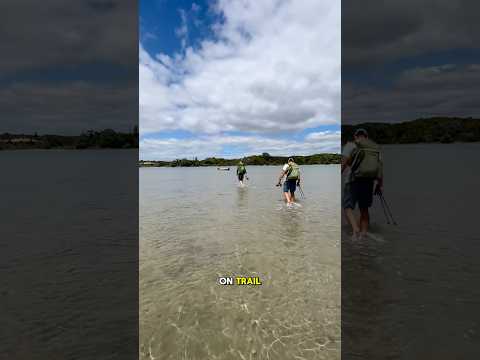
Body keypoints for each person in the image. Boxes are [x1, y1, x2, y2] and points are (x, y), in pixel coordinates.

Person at [342, 128, 383, 239]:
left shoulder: (350, 145)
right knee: (364, 208)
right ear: (367, 137)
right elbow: (379, 167)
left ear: (355, 136)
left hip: (352, 180)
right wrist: (379, 185)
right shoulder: (375, 148)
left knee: (347, 207)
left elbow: (344, 163)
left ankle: (355, 230)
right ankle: (364, 233)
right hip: (368, 181)